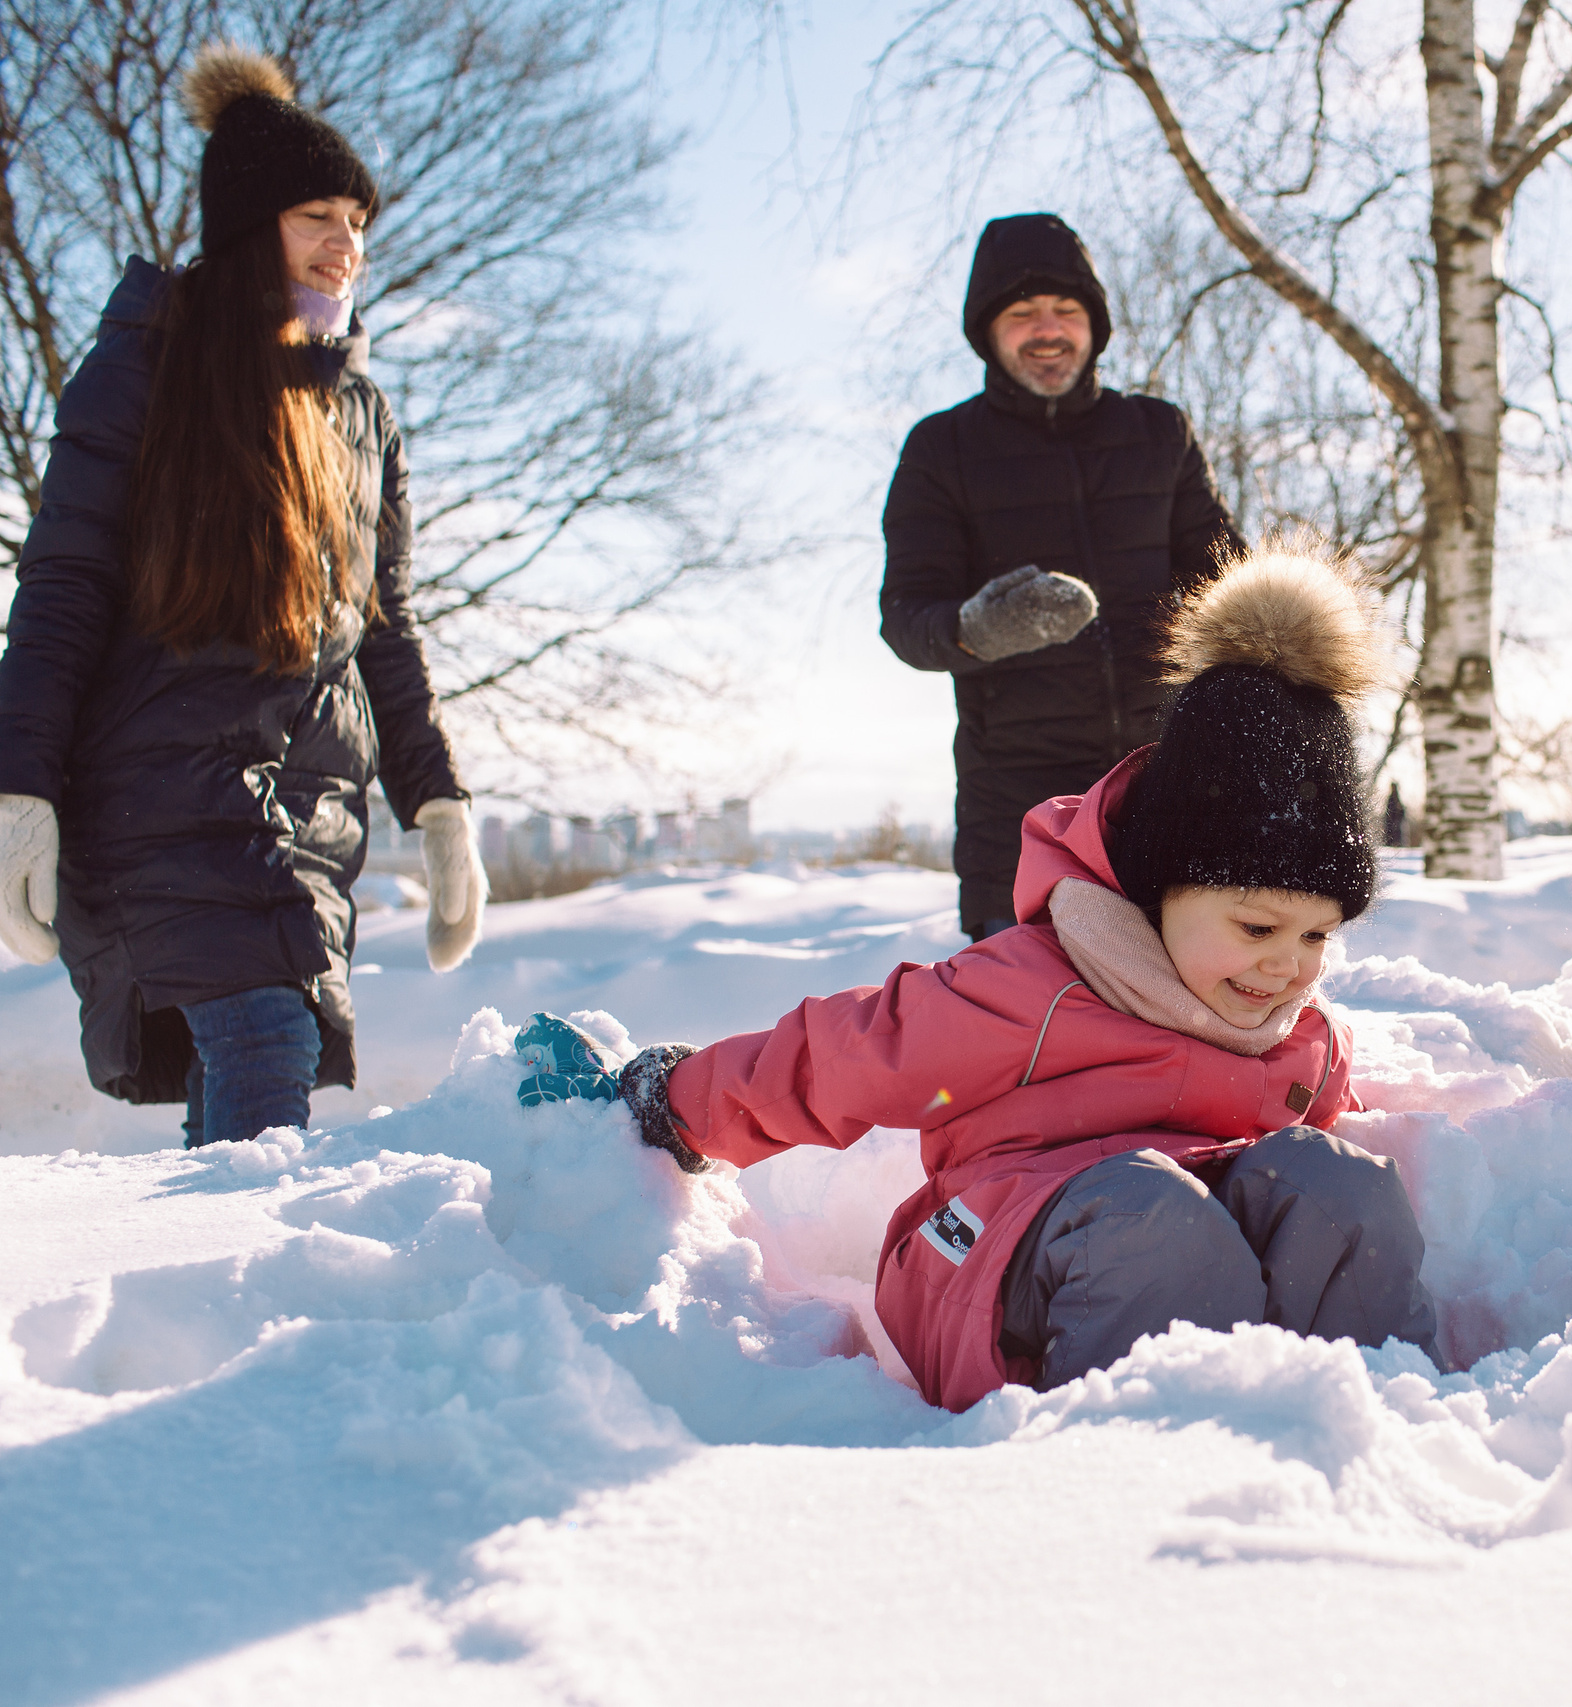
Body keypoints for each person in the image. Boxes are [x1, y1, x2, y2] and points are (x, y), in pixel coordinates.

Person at [574, 548, 1435, 1411]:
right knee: (1154, 1223)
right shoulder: (1034, 988)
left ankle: (1357, 1426)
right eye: (1257, 927)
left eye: (1318, 933)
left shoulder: (1303, 1038)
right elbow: (846, 1057)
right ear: (1158, 887)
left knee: (1343, 1186)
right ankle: (1124, 1465)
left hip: (1188, 1269)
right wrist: (679, 1101)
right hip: (994, 1266)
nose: (1288, 965)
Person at [0, 45, 482, 1148]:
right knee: (267, 1039)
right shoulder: (146, 364)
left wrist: (438, 804)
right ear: (247, 226)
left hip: (305, 808)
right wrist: (19, 784)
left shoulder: (362, 415)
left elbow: (384, 630)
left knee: (263, 1074)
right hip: (158, 795)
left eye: (358, 221)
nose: (346, 243)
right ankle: (252, 1295)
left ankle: (217, 1294)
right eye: (318, 214)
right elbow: (65, 579)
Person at [879, 212, 1238, 942]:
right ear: (987, 329)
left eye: (1066, 310)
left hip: (1166, 790)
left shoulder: (1157, 433)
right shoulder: (942, 449)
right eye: (1022, 312)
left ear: (1094, 325)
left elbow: (1227, 582)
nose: (1047, 328)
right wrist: (975, 631)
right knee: (1037, 1040)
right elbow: (906, 616)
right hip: (1018, 811)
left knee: (1184, 1032)